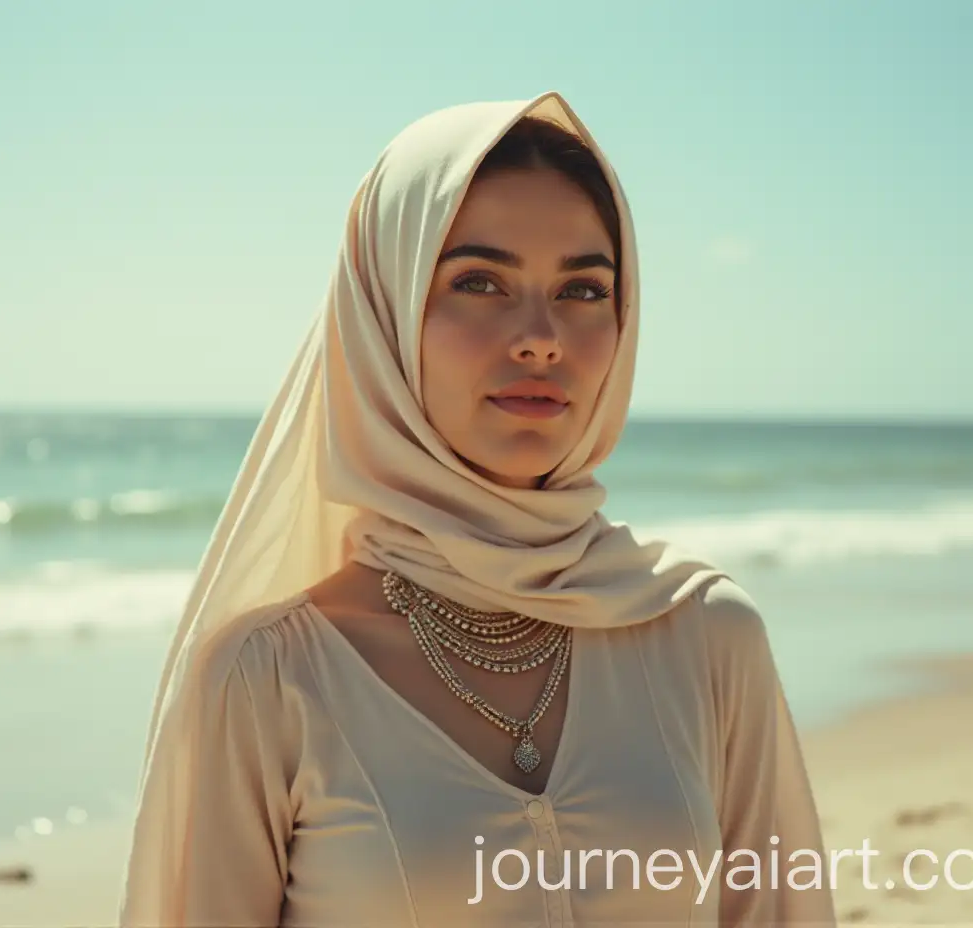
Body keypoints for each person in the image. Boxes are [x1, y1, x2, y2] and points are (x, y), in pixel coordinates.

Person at [118, 91, 837, 927]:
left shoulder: (707, 635)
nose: (541, 336)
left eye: (583, 290)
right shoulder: (269, 677)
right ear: (382, 315)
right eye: (480, 281)